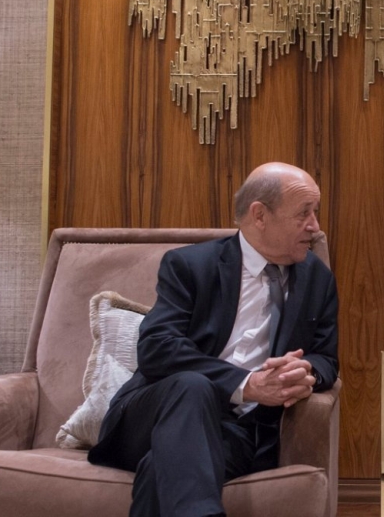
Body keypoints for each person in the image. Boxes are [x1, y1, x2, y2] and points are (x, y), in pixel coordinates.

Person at [88, 162, 339, 517]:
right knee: (194, 387)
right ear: (260, 215)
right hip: (152, 414)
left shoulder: (317, 278)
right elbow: (156, 348)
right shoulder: (191, 266)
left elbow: (327, 357)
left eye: (315, 212)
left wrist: (304, 371)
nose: (315, 226)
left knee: (161, 470)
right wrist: (246, 384)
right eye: (304, 214)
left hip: (238, 430)